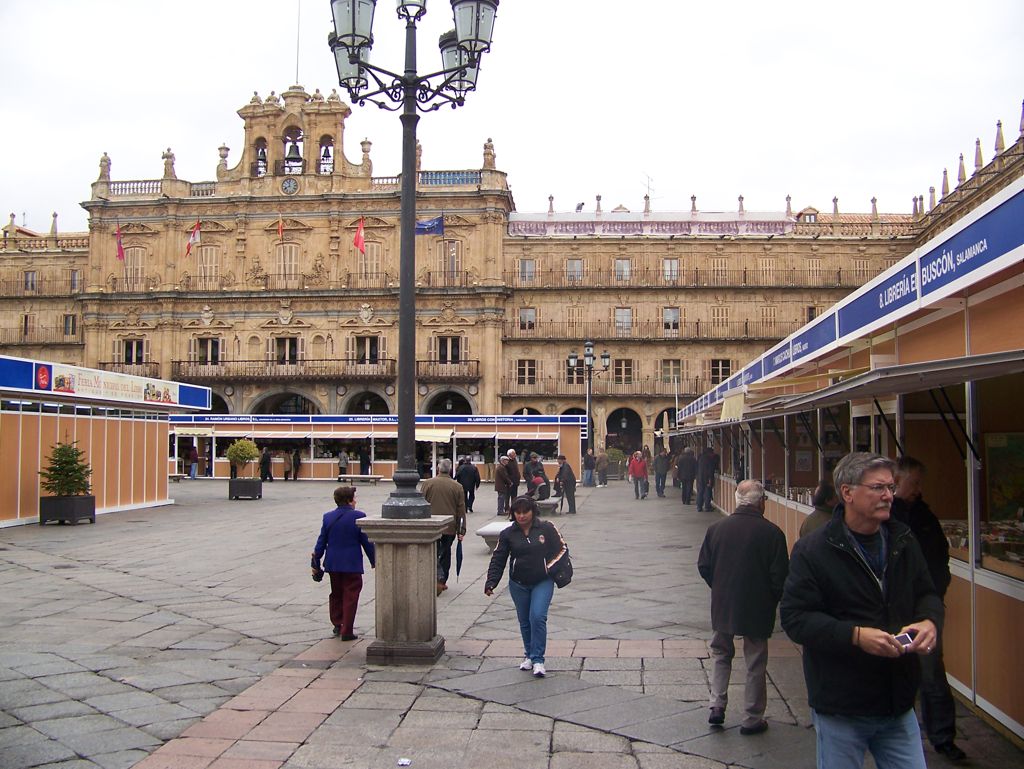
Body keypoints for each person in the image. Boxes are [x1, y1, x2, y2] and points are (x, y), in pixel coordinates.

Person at [780, 452, 943, 769]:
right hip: (842, 704)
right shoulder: (814, 550)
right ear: (847, 493)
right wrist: (854, 635)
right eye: (878, 487)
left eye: (891, 487)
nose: (888, 495)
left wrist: (930, 621)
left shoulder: (903, 541)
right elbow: (796, 618)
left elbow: (927, 593)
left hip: (897, 702)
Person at [698, 480, 789, 734]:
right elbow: (780, 576)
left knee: (720, 653)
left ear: (738, 499)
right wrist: (772, 598)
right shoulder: (773, 533)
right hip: (757, 605)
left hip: (723, 602)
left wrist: (719, 587)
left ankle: (716, 704)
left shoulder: (716, 529)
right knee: (755, 661)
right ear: (760, 502)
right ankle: (752, 717)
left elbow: (704, 566)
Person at [891, 457, 965, 762]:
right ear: (898, 482)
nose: (918, 489)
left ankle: (943, 737)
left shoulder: (923, 516)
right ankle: (897, 734)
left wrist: (935, 594)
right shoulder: (885, 517)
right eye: (914, 483)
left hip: (922, 614)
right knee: (897, 669)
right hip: (895, 614)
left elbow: (939, 558)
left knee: (932, 671)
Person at [484, 495, 567, 678]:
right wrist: (491, 581)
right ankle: (529, 655)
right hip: (518, 583)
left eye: (525, 512)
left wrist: (549, 567)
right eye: (518, 512)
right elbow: (499, 558)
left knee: (537, 617)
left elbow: (562, 549)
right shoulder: (508, 534)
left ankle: (538, 659)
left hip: (542, 581)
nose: (521, 516)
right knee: (525, 621)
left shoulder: (546, 528)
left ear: (532, 511)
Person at [312, 486, 375, 640]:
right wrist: (375, 561)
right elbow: (366, 542)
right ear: (348, 500)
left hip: (333, 563)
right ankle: (347, 630)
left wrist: (316, 562)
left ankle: (337, 623)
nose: (355, 501)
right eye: (354, 498)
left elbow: (321, 541)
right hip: (351, 563)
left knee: (336, 593)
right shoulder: (359, 516)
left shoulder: (328, 517)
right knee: (351, 595)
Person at [421, 458, 467, 597]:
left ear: (438, 468)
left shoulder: (428, 484)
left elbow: (421, 504)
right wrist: (461, 529)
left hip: (431, 526)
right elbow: (461, 509)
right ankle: (442, 579)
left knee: (432, 552)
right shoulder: (457, 486)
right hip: (449, 527)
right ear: (451, 469)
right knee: (445, 553)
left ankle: (435, 578)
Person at [696, 446, 720, 512]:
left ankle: (699, 506)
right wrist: (710, 479)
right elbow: (710, 470)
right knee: (707, 493)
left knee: (700, 492)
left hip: (700, 478)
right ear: (709, 453)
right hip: (707, 478)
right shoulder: (709, 460)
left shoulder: (700, 458)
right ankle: (707, 506)